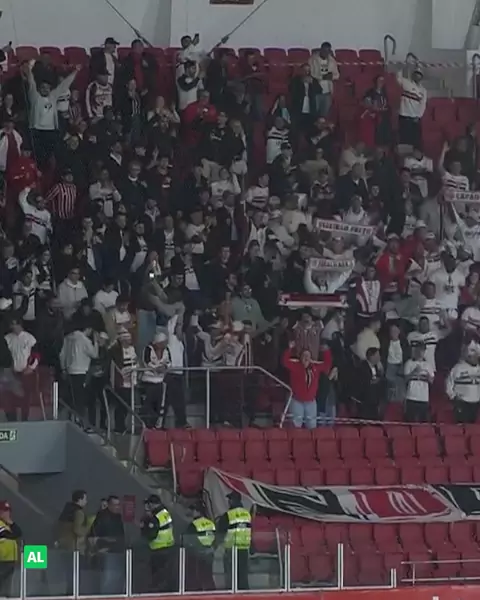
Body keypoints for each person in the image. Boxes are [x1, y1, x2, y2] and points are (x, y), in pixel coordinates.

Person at [282, 339, 334, 429]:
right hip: (297, 401)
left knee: (312, 428)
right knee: (295, 427)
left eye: (308, 355)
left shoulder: (315, 367)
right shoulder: (295, 366)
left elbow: (327, 364)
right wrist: (289, 349)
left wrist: (326, 351)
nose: (306, 357)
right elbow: (285, 361)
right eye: (304, 355)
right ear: (300, 357)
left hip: (311, 402)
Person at [88, 495, 126, 595]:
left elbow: (121, 535)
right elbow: (94, 536)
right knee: (108, 579)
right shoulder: (101, 517)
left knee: (118, 578)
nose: (117, 507)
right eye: (115, 505)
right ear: (109, 505)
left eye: (118, 504)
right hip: (106, 552)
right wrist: (101, 547)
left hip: (118, 552)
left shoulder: (118, 517)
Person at [215, 491, 251, 591]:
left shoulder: (228, 515)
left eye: (230, 499)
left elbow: (220, 532)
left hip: (232, 550)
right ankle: (245, 595)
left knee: (231, 578)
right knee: (243, 576)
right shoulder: (247, 515)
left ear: (232, 501)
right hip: (244, 549)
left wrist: (216, 545)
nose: (228, 502)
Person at [141, 494, 176, 593]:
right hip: (169, 547)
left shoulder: (155, 517)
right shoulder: (165, 512)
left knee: (158, 578)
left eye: (148, 504)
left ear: (152, 504)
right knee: (166, 576)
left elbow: (151, 535)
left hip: (158, 550)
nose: (147, 507)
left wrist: (144, 527)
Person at [184, 502, 215, 592]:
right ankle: (211, 591)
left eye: (193, 510)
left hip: (198, 553)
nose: (192, 512)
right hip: (209, 552)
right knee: (208, 574)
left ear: (198, 511)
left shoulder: (194, 524)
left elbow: (189, 539)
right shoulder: (210, 523)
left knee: (197, 575)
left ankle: (199, 591)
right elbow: (215, 537)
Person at [446, 345, 480, 424]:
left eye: (477, 356)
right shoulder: (458, 368)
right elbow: (449, 383)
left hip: (476, 403)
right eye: (474, 356)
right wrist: (453, 397)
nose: (476, 358)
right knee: (461, 425)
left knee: (472, 427)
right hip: (462, 402)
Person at [396, 67, 427, 149]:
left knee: (416, 141)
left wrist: (419, 116)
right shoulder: (406, 83)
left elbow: (423, 105)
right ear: (413, 75)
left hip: (415, 118)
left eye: (419, 74)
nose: (417, 76)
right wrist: (401, 67)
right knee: (404, 140)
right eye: (416, 74)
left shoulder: (423, 90)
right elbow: (398, 78)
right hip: (404, 116)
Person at [404, 342, 434, 422]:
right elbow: (405, 379)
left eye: (422, 350)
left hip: (423, 397)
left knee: (422, 422)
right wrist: (414, 372)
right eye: (419, 350)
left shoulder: (428, 365)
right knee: (410, 420)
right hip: (411, 397)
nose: (420, 352)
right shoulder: (409, 363)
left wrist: (428, 377)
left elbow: (432, 381)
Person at [356, 346, 386, 420]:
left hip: (375, 398)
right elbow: (362, 380)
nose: (379, 358)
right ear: (371, 356)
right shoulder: (362, 366)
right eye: (377, 355)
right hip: (365, 398)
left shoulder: (376, 366)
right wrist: (372, 381)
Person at [0, 501, 21, 598]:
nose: (7, 514)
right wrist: (10, 523)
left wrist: (11, 523)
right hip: (2, 560)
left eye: (8, 511)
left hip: (9, 560)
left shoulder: (7, 524)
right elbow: (12, 534)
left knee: (7, 586)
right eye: (4, 511)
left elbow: (19, 532)